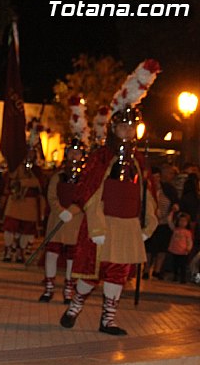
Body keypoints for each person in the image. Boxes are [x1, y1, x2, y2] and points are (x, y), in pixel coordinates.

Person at [60, 59, 160, 336]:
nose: (127, 132)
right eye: (122, 128)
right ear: (114, 129)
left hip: (128, 226)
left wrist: (147, 225)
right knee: (93, 274)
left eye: (131, 128)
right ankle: (74, 307)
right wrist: (97, 226)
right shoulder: (102, 157)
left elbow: (147, 194)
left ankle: (108, 320)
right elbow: (90, 193)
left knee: (119, 274)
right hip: (103, 224)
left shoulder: (139, 160)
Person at [39, 96, 88, 303]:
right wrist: (60, 210)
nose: (74, 156)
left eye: (78, 152)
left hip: (75, 223)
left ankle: (69, 290)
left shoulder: (86, 177)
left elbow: (87, 196)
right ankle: (49, 288)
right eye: (72, 152)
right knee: (51, 254)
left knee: (71, 258)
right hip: (57, 220)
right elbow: (51, 194)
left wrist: (74, 210)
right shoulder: (59, 174)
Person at [1, 119, 46, 263]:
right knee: (10, 226)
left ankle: (21, 252)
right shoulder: (17, 165)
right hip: (16, 199)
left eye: (33, 153)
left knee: (26, 229)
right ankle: (8, 250)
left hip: (30, 203)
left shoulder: (37, 170)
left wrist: (25, 181)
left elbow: (40, 184)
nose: (30, 155)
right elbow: (10, 178)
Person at [144, 164, 179, 280]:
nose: (156, 179)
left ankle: (157, 270)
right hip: (150, 222)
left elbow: (175, 201)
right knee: (149, 248)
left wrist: (174, 207)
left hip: (164, 223)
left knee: (161, 248)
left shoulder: (167, 189)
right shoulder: (147, 189)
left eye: (158, 177)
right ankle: (146, 269)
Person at [167, 211, 193, 284]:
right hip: (174, 250)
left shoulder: (187, 232)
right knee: (175, 265)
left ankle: (183, 278)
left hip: (183, 251)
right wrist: (172, 212)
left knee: (183, 266)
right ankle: (175, 276)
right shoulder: (175, 229)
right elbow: (169, 221)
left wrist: (189, 248)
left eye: (184, 221)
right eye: (180, 221)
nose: (182, 222)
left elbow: (189, 241)